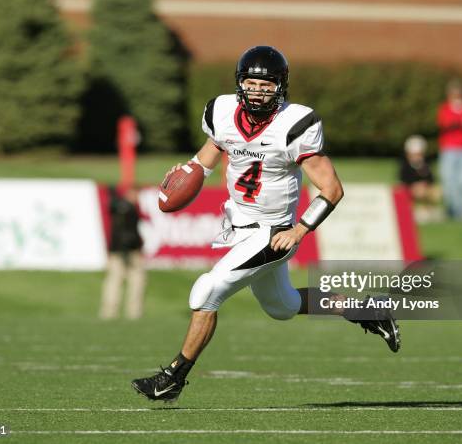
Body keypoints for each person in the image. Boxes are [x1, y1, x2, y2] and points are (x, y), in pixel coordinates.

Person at [131, 46, 401, 402]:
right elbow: (206, 157)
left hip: (272, 233)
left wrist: (300, 230)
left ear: (281, 86)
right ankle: (369, 311)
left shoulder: (296, 124)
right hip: (240, 227)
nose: (257, 90)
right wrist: (186, 173)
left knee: (207, 291)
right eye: (251, 82)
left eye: (266, 84)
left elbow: (332, 189)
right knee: (283, 307)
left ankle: (172, 379)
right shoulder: (222, 111)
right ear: (239, 83)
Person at [99, 185, 148, 320]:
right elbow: (116, 206)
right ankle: (118, 313)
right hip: (124, 251)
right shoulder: (125, 208)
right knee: (122, 281)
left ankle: (116, 313)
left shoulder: (125, 207)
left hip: (122, 250)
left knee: (119, 282)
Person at [437, 80, 462, 219]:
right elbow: (446, 124)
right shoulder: (445, 108)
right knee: (449, 179)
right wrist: (460, 122)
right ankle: (451, 207)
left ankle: (461, 208)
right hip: (449, 149)